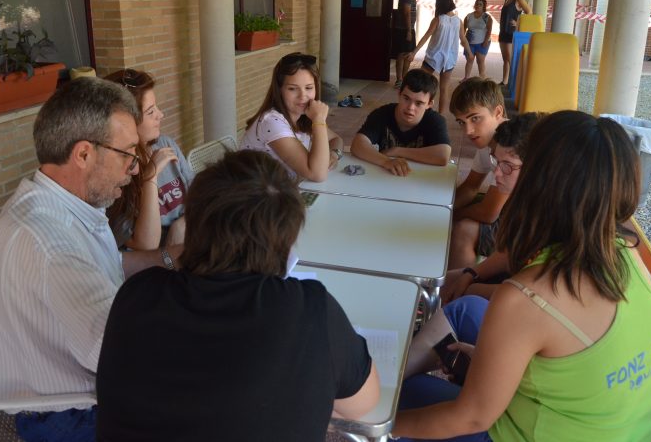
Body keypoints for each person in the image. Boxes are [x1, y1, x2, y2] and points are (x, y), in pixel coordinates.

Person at [393, 111, 651, 441]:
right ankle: (385, 381)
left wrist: (378, 427)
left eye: (518, 165)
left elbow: (470, 418)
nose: (502, 173)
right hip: (614, 428)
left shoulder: (527, 297)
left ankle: (381, 393)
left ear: (538, 184)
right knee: (467, 310)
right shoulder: (627, 253)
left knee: (412, 394)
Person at [96, 150, 380, 441]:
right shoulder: (309, 309)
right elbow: (364, 403)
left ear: (193, 223)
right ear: (288, 239)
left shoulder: (137, 294)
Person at [0, 78, 182, 442]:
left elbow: (106, 266)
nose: (137, 169)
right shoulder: (49, 240)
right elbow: (121, 355)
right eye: (127, 154)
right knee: (215, 407)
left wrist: (170, 258)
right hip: (67, 414)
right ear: (84, 154)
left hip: (80, 388)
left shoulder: (68, 204)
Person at [104, 68, 194, 250]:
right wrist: (150, 178)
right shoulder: (115, 173)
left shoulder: (165, 144)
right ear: (128, 122)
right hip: (156, 265)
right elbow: (145, 245)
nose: (160, 115)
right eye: (151, 112)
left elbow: (201, 195)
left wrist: (182, 224)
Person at [447, 112, 541, 271]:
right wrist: (470, 276)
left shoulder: (548, 213)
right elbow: (508, 252)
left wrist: (468, 285)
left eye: (506, 165)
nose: (496, 172)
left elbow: (525, 286)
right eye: (496, 161)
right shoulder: (522, 197)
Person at [241, 52, 343, 182]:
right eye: (292, 89)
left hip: (283, 191)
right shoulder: (272, 122)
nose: (303, 96)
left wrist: (334, 154)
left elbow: (336, 139)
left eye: (309, 88)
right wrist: (319, 121)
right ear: (279, 90)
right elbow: (317, 174)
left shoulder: (303, 116)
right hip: (255, 197)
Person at [448, 78, 507, 270]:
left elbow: (489, 213)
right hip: (517, 211)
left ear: (497, 112)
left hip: (542, 226)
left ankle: (458, 293)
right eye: (461, 122)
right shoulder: (487, 141)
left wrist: (452, 216)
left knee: (463, 230)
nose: (468, 130)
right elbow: (471, 187)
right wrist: (443, 209)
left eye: (475, 118)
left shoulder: (510, 147)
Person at [351, 68, 452, 176]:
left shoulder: (435, 121)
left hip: (419, 181)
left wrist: (397, 151)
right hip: (385, 177)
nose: (410, 108)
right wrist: (386, 161)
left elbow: (443, 155)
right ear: (399, 94)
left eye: (419, 103)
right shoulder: (382, 114)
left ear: (429, 104)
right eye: (406, 98)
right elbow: (357, 145)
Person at [409, 0, 472, 114]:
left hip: (433, 58)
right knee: (444, 89)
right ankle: (440, 116)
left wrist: (414, 52)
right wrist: (469, 53)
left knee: (422, 84)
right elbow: (463, 39)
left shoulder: (438, 20)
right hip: (449, 60)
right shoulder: (458, 21)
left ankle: (421, 110)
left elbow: (426, 37)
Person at [498, 0, 532, 86]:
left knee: (510, 59)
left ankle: (513, 83)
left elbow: (529, 13)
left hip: (511, 33)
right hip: (503, 31)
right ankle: (505, 81)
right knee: (505, 59)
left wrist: (518, 24)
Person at [394, 0, 422, 88]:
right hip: (404, 29)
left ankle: (403, 79)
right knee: (402, 55)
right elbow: (406, 12)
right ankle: (400, 80)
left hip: (408, 28)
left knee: (406, 55)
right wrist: (409, 31)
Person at [462, 0, 493, 81]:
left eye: (480, 4)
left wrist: (486, 41)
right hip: (470, 42)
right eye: (476, 4)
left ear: (484, 6)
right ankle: (466, 78)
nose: (478, 6)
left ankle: (482, 79)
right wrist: (463, 40)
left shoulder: (487, 17)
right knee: (469, 60)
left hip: (482, 42)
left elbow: (489, 30)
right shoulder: (468, 16)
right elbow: (463, 29)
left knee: (480, 61)